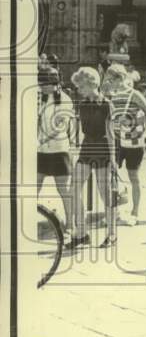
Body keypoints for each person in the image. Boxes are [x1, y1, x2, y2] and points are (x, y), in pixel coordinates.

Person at [69, 67, 117, 248]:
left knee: (105, 194)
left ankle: (112, 234)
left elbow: (111, 134)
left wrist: (113, 159)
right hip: (87, 148)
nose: (78, 89)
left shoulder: (107, 105)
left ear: (91, 84)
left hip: (103, 148)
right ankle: (81, 232)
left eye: (81, 85)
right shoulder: (82, 105)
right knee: (73, 188)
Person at [104, 63, 146, 226]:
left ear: (120, 78)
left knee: (133, 176)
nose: (109, 83)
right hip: (119, 140)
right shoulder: (112, 95)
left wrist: (135, 121)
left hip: (134, 141)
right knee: (111, 175)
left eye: (111, 80)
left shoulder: (134, 94)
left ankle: (135, 212)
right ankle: (115, 212)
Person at [37, 66, 76, 237]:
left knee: (64, 190)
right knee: (34, 187)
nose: (42, 86)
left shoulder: (65, 99)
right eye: (41, 83)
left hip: (59, 150)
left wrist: (42, 138)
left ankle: (70, 224)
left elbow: (61, 124)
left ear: (55, 83)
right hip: (41, 151)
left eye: (46, 83)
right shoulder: (40, 99)